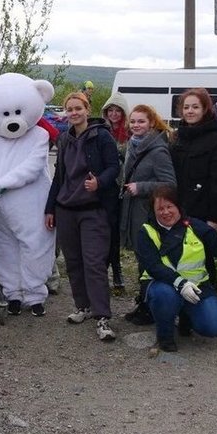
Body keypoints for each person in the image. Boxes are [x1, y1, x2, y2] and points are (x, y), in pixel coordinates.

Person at [44, 92, 120, 341]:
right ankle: (83, 307)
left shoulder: (102, 137)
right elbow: (59, 177)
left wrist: (99, 182)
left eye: (78, 108)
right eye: (70, 109)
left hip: (93, 210)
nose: (74, 113)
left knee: (94, 263)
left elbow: (114, 168)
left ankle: (102, 317)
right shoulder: (64, 139)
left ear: (88, 109)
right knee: (73, 262)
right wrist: (50, 208)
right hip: (67, 209)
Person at [137, 184, 217, 352]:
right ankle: (165, 335)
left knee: (214, 327)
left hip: (197, 287)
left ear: (178, 206)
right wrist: (180, 283)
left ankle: (186, 315)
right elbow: (153, 266)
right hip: (162, 285)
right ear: (153, 210)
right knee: (165, 295)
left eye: (169, 206)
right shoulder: (147, 231)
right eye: (160, 208)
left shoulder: (195, 225)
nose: (165, 212)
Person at [119, 105, 176, 325]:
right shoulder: (133, 146)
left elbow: (170, 184)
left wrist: (141, 187)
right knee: (142, 260)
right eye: (132, 121)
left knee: (149, 261)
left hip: (148, 215)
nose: (136, 125)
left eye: (141, 121)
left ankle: (151, 307)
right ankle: (144, 302)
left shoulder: (157, 150)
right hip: (135, 212)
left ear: (151, 123)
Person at [170, 87, 217, 283]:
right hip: (179, 212)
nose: (190, 111)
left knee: (203, 263)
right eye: (186, 107)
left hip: (203, 215)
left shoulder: (215, 140)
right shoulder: (178, 137)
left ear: (205, 109)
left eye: (195, 107)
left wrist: (214, 219)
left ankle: (205, 304)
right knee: (179, 261)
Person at [101, 91, 130, 290]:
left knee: (116, 232)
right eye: (110, 110)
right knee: (105, 230)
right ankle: (103, 269)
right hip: (105, 187)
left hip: (123, 187)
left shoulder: (129, 133)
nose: (113, 114)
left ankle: (117, 269)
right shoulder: (101, 131)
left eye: (117, 111)